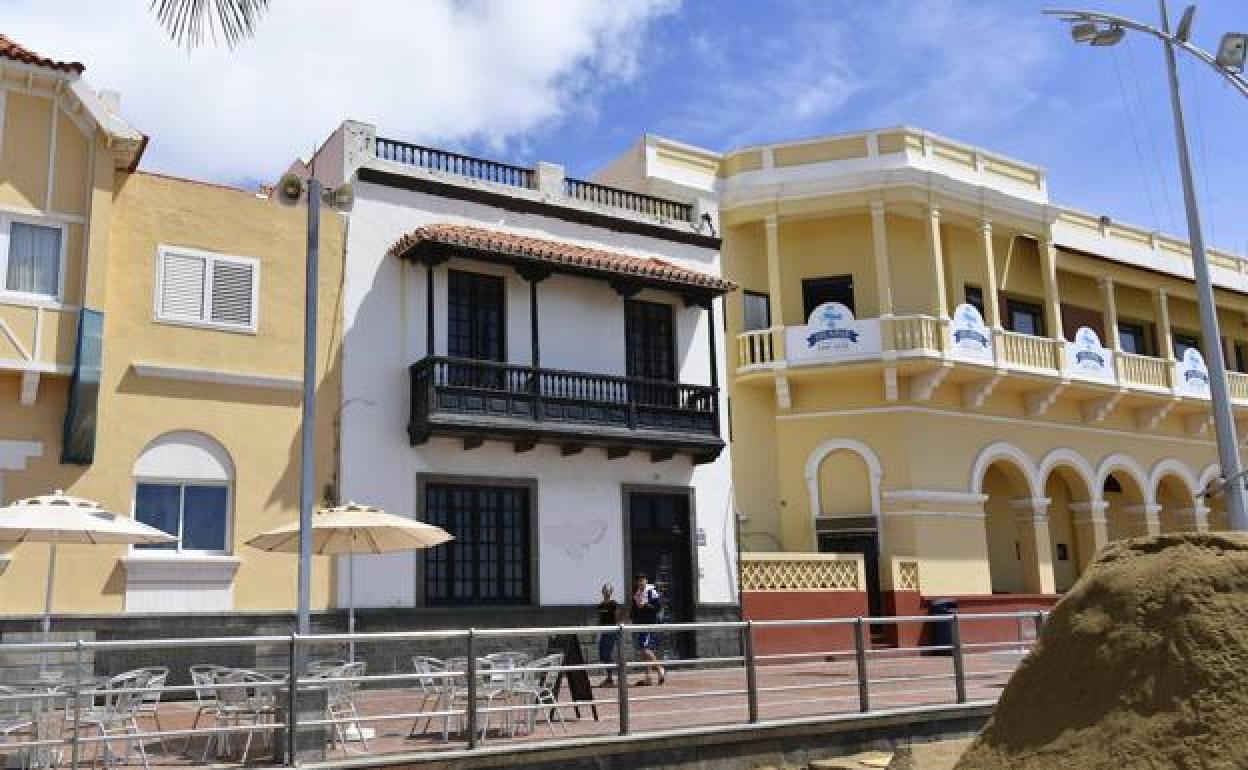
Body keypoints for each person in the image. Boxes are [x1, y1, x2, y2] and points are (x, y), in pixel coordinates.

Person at [631, 573, 666, 686]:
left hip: (650, 624)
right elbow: (634, 610)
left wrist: (645, 605)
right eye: (639, 581)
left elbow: (658, 608)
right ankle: (648, 677)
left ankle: (660, 669)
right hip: (640, 625)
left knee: (645, 649)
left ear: (646, 581)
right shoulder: (636, 593)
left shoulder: (652, 592)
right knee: (643, 652)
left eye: (643, 580)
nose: (641, 583)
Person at [595, 583, 621, 687]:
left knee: (606, 653)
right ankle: (609, 677)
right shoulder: (600, 605)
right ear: (602, 592)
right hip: (604, 631)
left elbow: (617, 618)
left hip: (612, 631)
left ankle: (610, 678)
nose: (607, 592)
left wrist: (618, 631)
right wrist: (596, 631)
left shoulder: (614, 604)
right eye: (605, 590)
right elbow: (599, 619)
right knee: (602, 654)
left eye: (608, 590)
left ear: (611, 592)